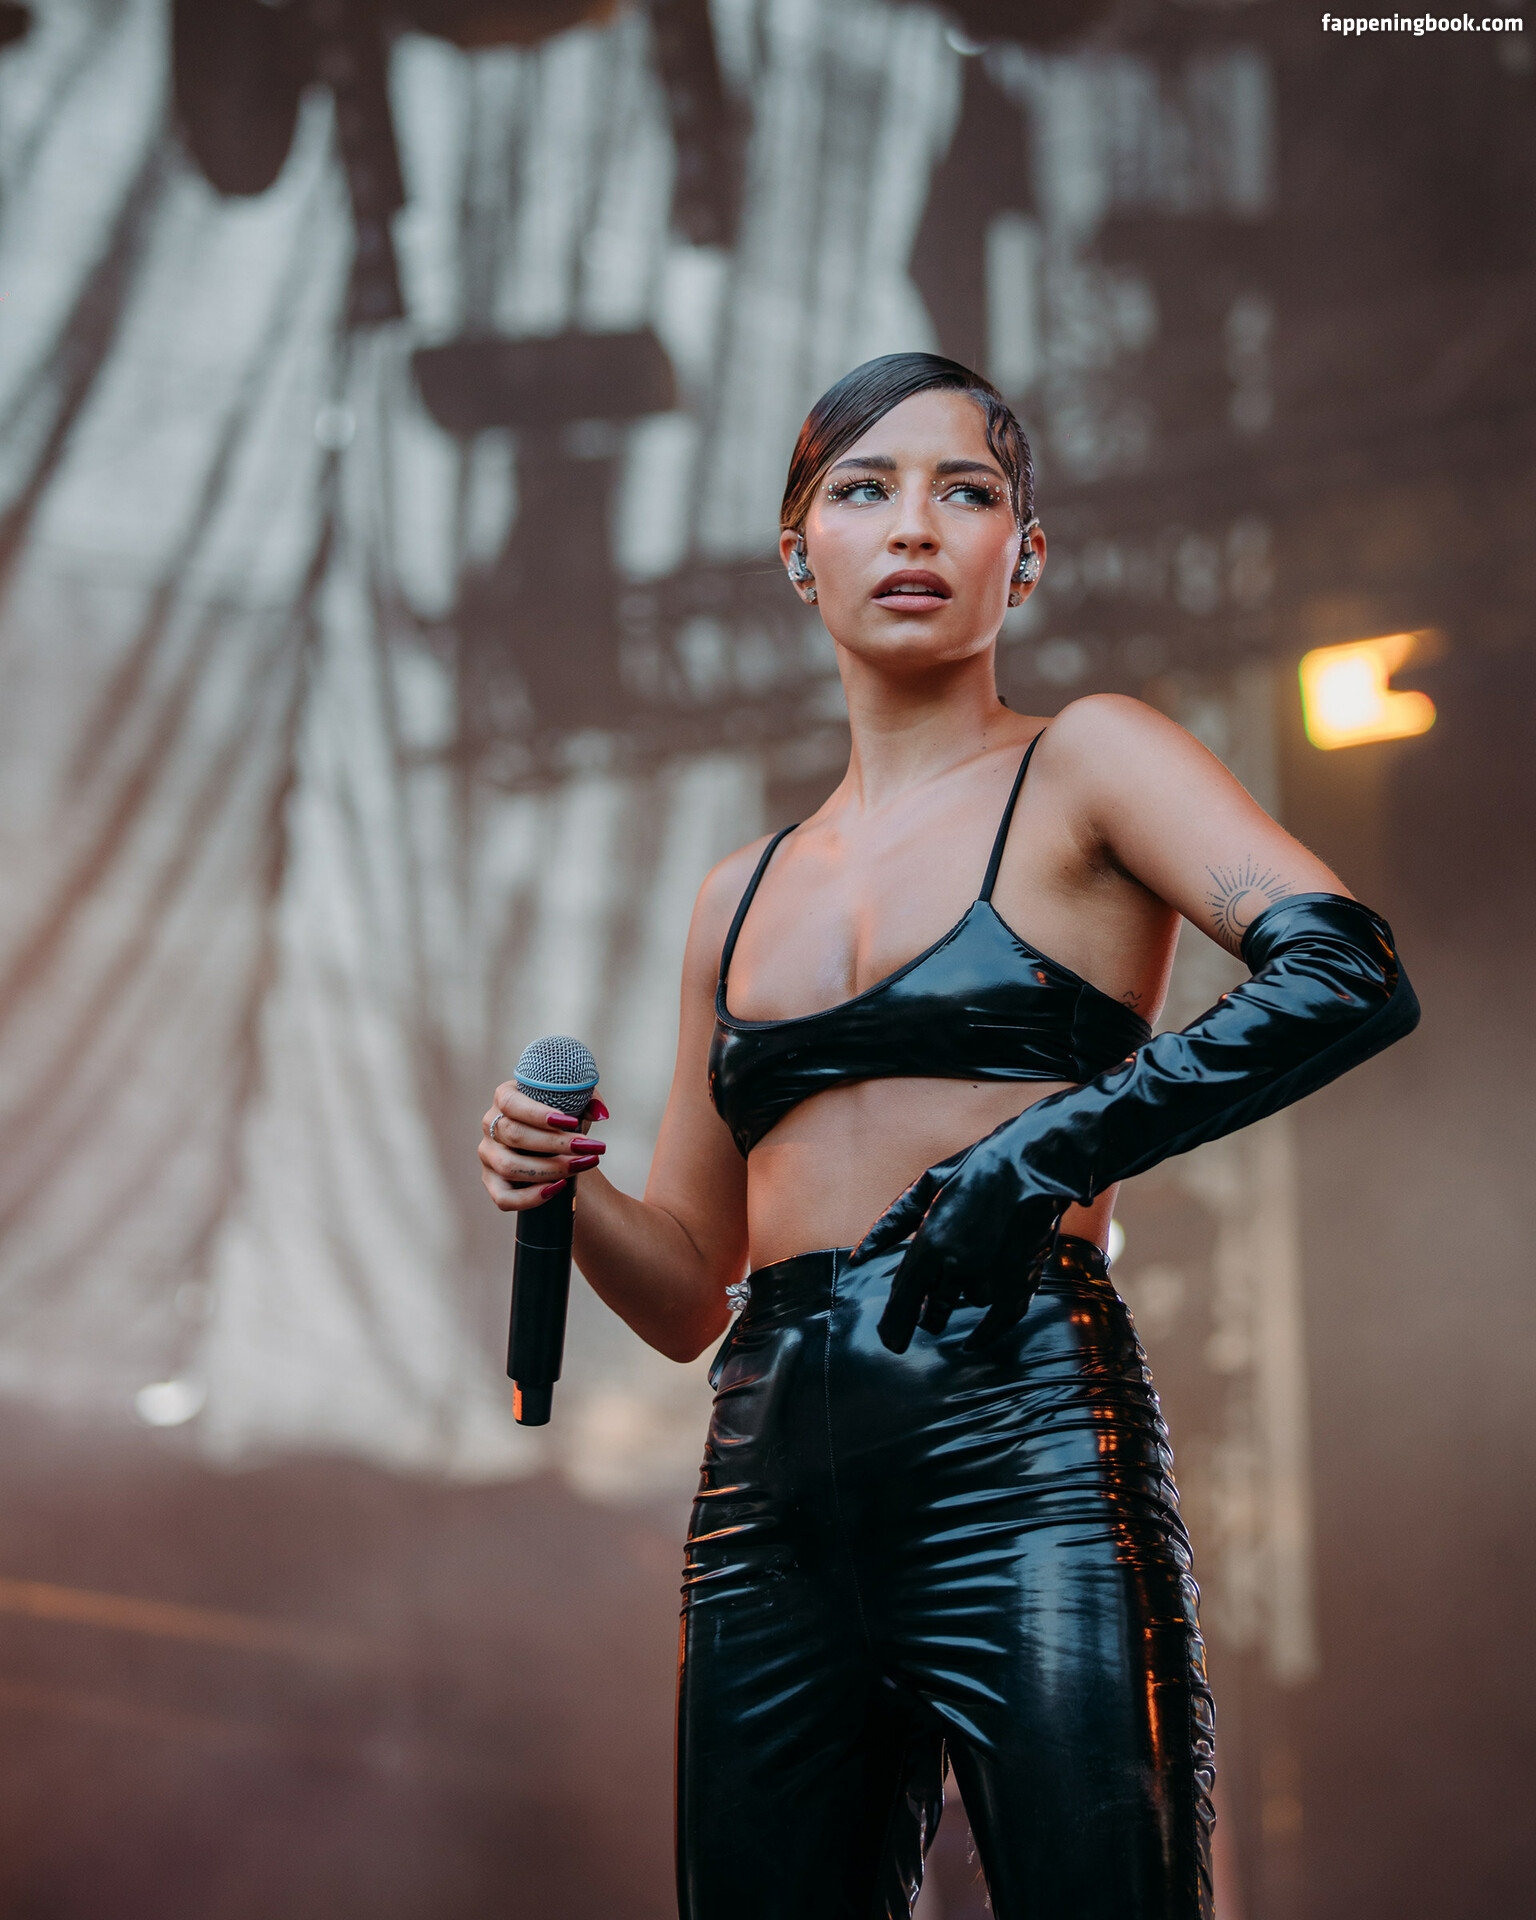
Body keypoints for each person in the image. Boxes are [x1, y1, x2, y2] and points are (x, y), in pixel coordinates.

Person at [478, 353, 1418, 1920]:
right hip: (769, 1491)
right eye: (864, 490)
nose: (913, 524)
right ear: (800, 555)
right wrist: (560, 1190)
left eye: (963, 492)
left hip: (1022, 1443)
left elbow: (1346, 970)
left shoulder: (1090, 761)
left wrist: (1044, 1151)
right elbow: (695, 1290)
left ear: (1021, 558)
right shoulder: (736, 892)